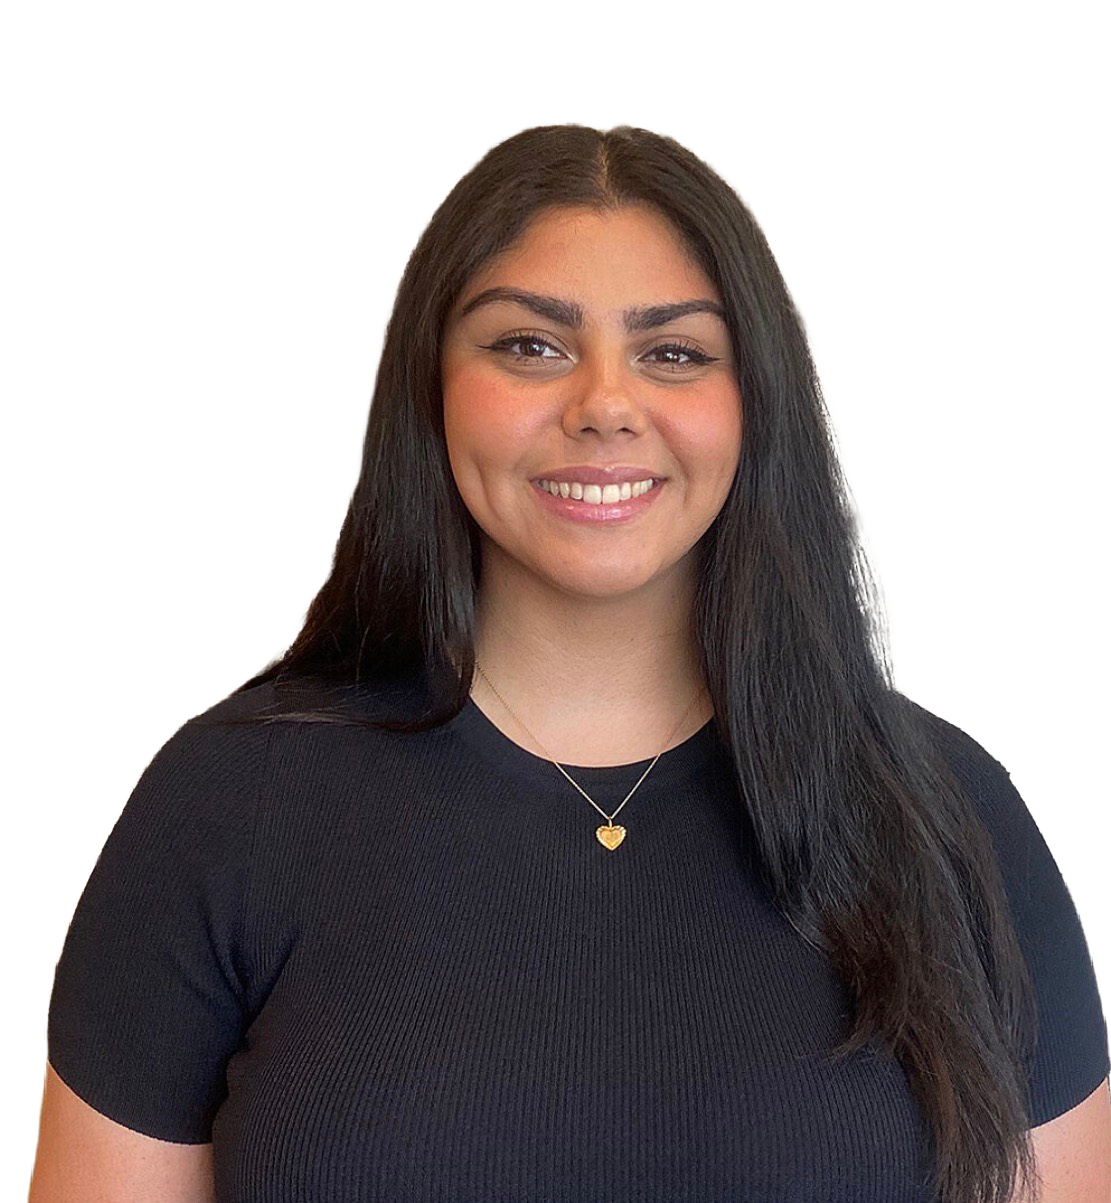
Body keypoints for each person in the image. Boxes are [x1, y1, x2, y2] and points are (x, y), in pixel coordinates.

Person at [30, 123, 1109, 1203]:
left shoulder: (946, 816)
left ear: (754, 403)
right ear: (430, 386)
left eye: (674, 352)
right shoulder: (227, 809)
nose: (602, 403)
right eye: (528, 347)